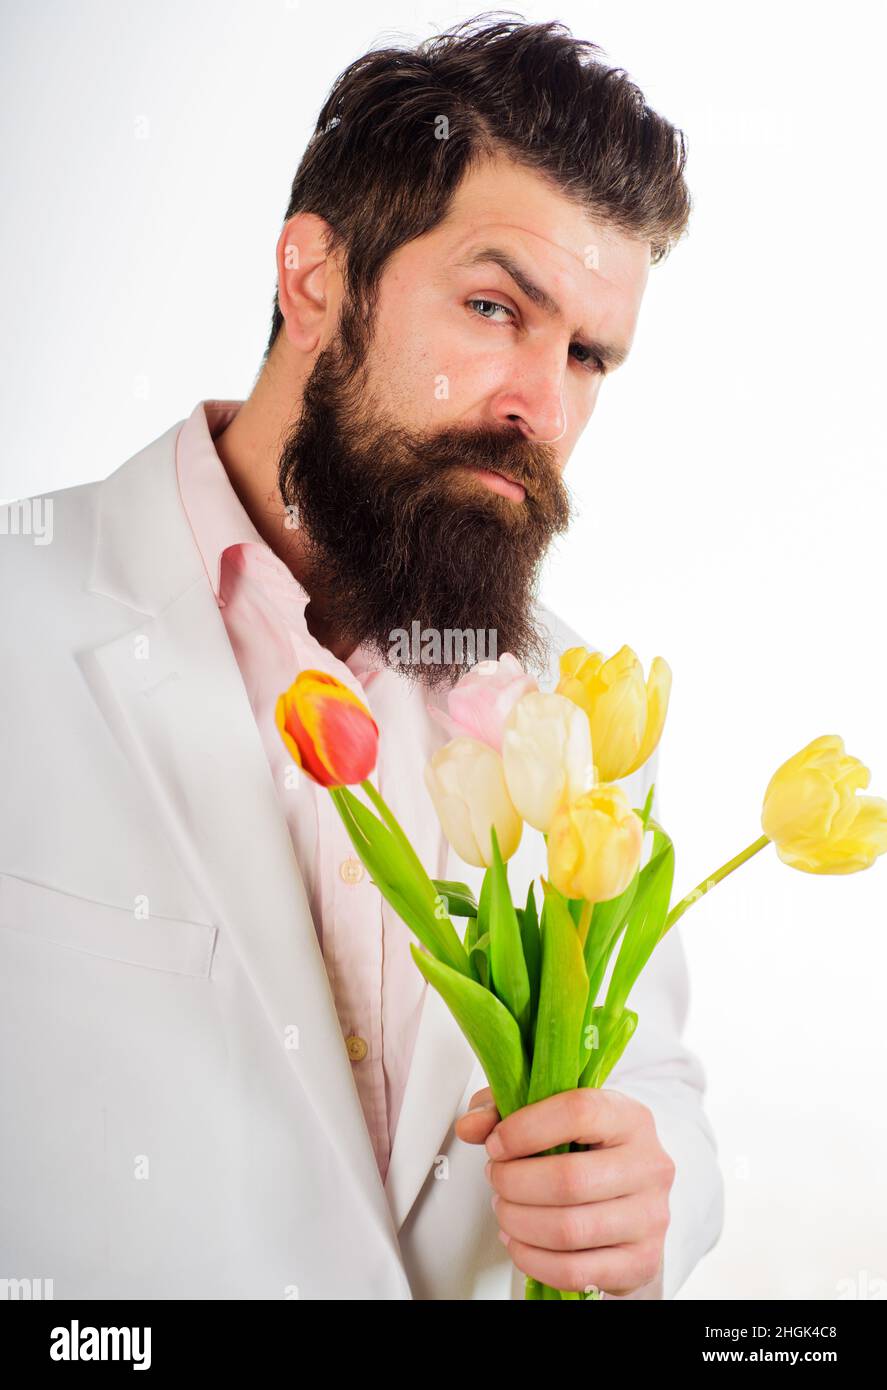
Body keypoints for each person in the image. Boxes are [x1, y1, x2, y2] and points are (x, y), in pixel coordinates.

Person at [0, 16, 723, 1299]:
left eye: (586, 356)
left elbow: (649, 1076)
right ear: (314, 278)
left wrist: (652, 1187)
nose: (540, 409)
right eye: (496, 307)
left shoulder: (577, 707)